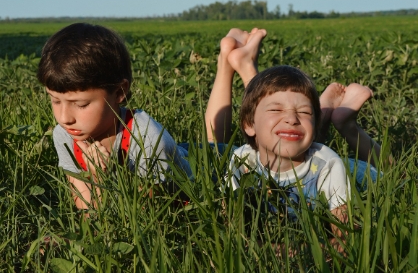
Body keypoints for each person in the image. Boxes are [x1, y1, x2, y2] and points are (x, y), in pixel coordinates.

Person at [204, 28, 381, 252]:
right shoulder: (242, 162)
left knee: (394, 175)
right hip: (310, 150)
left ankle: (347, 125)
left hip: (355, 174)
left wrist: (290, 253)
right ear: (248, 125)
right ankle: (324, 112)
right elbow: (229, 228)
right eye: (276, 109)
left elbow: (346, 239)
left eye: (305, 113)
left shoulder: (329, 166)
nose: (291, 118)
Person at [37, 23, 191, 210]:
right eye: (55, 101)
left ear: (119, 92)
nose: (64, 118)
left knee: (216, 141)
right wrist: (95, 176)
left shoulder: (148, 138)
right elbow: (89, 212)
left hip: (216, 170)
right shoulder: (64, 136)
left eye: (81, 104)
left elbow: (145, 213)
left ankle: (227, 61)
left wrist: (101, 177)